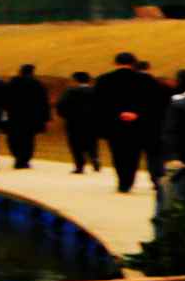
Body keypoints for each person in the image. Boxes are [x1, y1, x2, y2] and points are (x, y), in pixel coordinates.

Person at [93, 52, 171, 193]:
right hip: (140, 125)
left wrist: (116, 114)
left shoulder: (103, 80)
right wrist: (137, 114)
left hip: (114, 125)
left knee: (119, 154)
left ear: (115, 63)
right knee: (135, 153)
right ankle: (132, 177)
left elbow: (98, 104)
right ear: (134, 63)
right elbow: (156, 103)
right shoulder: (146, 80)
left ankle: (124, 181)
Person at [2, 63, 50, 168]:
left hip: (14, 116)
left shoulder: (12, 83)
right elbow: (43, 102)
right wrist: (45, 118)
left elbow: (4, 101)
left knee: (14, 138)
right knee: (29, 139)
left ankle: (18, 157)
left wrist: (3, 117)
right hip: (31, 117)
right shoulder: (38, 84)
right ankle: (25, 159)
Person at [62, 69, 106, 174]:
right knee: (92, 142)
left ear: (75, 80)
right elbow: (102, 107)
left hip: (74, 122)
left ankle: (79, 166)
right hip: (92, 122)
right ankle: (95, 159)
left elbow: (62, 106)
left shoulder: (70, 91)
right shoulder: (96, 91)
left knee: (76, 144)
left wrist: (66, 116)